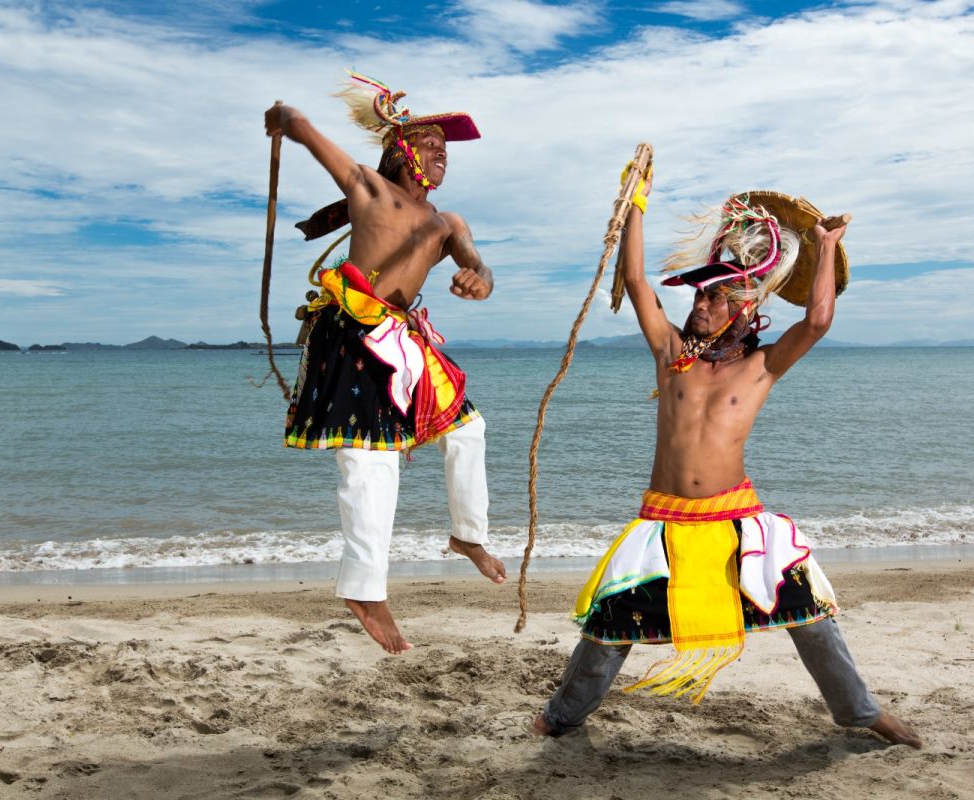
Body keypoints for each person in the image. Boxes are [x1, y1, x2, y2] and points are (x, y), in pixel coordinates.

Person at [532, 173, 921, 748]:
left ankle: (860, 713)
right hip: (663, 522)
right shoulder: (671, 357)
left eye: (715, 295)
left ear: (742, 306)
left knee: (811, 617)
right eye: (698, 295)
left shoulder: (760, 366)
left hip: (738, 522)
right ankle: (562, 716)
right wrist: (635, 203)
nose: (702, 303)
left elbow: (816, 322)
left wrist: (827, 246)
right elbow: (637, 281)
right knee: (610, 625)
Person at [264, 72, 506, 655]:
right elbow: (310, 137)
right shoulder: (368, 189)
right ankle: (366, 589)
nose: (441, 155)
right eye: (430, 146)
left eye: (445, 151)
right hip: (352, 332)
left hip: (402, 337)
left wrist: (477, 278)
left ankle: (467, 537)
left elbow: (481, 265)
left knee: (468, 429)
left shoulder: (448, 223)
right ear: (401, 150)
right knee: (370, 461)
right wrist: (288, 118)